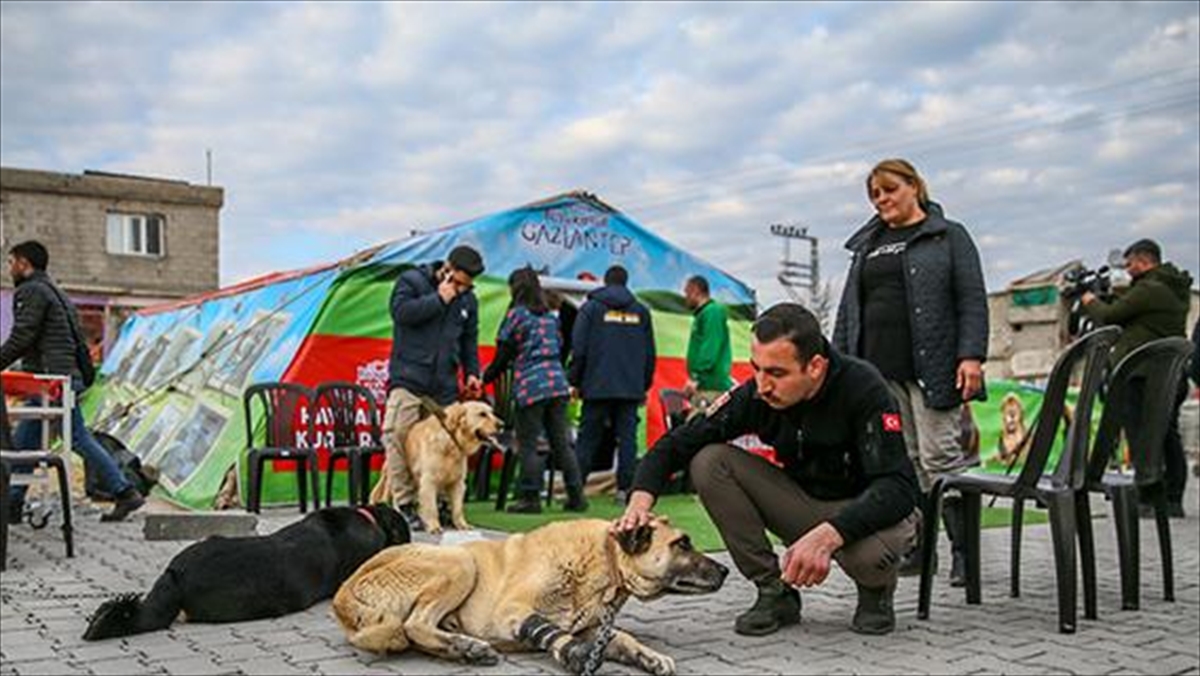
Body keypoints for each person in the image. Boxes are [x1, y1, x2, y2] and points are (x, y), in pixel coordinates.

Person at [615, 303, 921, 636]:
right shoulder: (756, 395)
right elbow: (677, 444)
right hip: (803, 501)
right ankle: (774, 591)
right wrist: (639, 504)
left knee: (873, 555)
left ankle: (875, 592)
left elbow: (898, 487)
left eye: (776, 373)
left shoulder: (864, 388)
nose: (762, 385)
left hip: (861, 512)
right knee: (710, 461)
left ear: (815, 367)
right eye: (756, 368)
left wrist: (829, 535)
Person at [832, 158, 988, 587]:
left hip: (933, 369)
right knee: (908, 463)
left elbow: (971, 299)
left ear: (914, 186)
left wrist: (971, 355)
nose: (882, 199)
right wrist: (839, 363)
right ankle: (922, 551)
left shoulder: (948, 236)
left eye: (890, 189)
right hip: (878, 374)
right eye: (875, 194)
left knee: (940, 458)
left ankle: (963, 554)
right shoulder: (866, 244)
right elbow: (848, 309)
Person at [1, 241, 145, 522]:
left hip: (49, 381)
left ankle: (125, 492)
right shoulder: (57, 292)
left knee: (65, 439)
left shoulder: (30, 291)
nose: (9, 268)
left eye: (11, 262)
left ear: (23, 263)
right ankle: (13, 504)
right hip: (61, 378)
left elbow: (22, 337)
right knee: (29, 442)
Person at [1082, 239, 1193, 518]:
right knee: (1166, 433)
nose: (1127, 270)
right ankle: (1171, 498)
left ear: (1145, 261)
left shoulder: (1150, 289)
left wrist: (1089, 301)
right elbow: (1130, 314)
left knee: (1142, 434)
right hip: (1167, 374)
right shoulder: (1171, 287)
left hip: (1142, 375)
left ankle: (1149, 496)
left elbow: (1109, 316)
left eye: (1130, 264)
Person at [375, 245, 484, 530]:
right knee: (397, 435)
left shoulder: (468, 300)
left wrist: (472, 372)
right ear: (446, 269)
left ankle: (447, 509)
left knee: (453, 443)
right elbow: (400, 313)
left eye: (467, 286)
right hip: (409, 379)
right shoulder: (412, 281)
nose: (461, 290)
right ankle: (406, 505)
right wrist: (438, 299)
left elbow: (469, 341)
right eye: (457, 283)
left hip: (445, 386)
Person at [482, 268, 587, 514]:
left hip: (531, 386)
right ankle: (577, 496)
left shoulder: (517, 316)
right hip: (557, 384)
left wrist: (486, 377)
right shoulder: (550, 318)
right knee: (561, 444)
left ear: (515, 289)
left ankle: (530, 498)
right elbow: (561, 348)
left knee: (528, 444)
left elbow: (503, 353)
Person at [570, 265, 656, 503]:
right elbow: (650, 354)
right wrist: (643, 385)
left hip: (595, 386)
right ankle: (625, 491)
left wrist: (574, 380)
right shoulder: (642, 312)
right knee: (627, 440)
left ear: (605, 282)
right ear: (626, 282)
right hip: (630, 388)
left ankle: (576, 490)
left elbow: (579, 349)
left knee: (588, 438)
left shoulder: (590, 309)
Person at [683, 275, 733, 417]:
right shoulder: (703, 314)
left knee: (698, 431)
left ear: (695, 290)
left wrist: (696, 377)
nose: (685, 298)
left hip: (710, 386)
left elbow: (710, 347)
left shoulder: (712, 312)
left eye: (687, 293)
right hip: (704, 385)